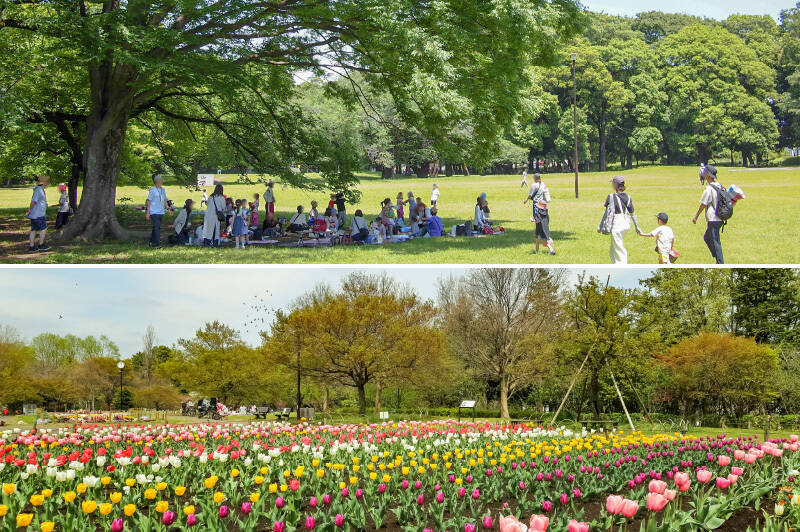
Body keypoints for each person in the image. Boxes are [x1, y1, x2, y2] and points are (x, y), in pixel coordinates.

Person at [602, 175, 639, 264]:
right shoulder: (628, 197)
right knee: (613, 247)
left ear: (615, 185)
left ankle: (622, 264)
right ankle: (616, 263)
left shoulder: (611, 197)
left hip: (617, 224)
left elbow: (606, 213)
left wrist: (601, 226)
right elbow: (632, 213)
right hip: (626, 223)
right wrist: (637, 227)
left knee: (618, 247)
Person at [692, 164, 725, 264]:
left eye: (705, 172)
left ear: (709, 176)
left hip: (713, 219)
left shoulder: (709, 188)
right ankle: (717, 259)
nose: (703, 173)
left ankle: (720, 262)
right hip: (720, 218)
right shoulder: (720, 186)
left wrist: (696, 216)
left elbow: (703, 204)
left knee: (715, 242)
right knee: (707, 237)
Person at [523, 173, 555, 255]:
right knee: (537, 234)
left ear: (535, 178)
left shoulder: (534, 185)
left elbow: (530, 195)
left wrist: (526, 201)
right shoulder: (543, 184)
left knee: (541, 233)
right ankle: (537, 252)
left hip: (537, 208)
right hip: (544, 208)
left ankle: (551, 249)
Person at [145, 175, 173, 248]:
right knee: (157, 227)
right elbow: (149, 201)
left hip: (161, 211)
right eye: (161, 181)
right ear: (157, 182)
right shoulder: (152, 190)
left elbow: (165, 200)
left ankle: (151, 242)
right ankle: (157, 244)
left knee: (156, 227)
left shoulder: (163, 190)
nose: (162, 182)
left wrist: (168, 209)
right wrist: (148, 213)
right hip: (154, 212)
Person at [25, 175, 51, 252]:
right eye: (47, 182)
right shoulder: (38, 190)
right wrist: (29, 210)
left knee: (34, 230)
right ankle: (40, 245)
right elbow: (33, 201)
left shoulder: (40, 190)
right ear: (43, 183)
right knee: (44, 228)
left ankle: (32, 247)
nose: (48, 184)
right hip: (38, 215)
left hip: (38, 214)